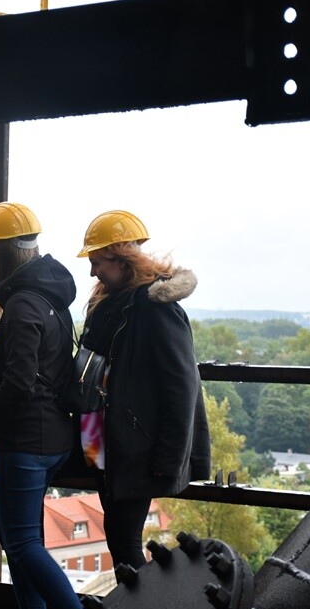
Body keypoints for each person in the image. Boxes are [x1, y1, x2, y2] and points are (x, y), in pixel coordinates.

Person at [0, 203, 86, 609]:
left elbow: (18, 382)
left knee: (20, 542)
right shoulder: (51, 300)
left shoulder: (21, 306)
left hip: (26, 440)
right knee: (15, 534)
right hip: (53, 435)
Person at [76, 209, 211, 571]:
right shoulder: (112, 303)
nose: (93, 272)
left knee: (124, 540)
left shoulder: (154, 309)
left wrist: (168, 459)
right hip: (100, 435)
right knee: (117, 532)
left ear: (123, 259)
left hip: (131, 444)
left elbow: (181, 386)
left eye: (98, 262)